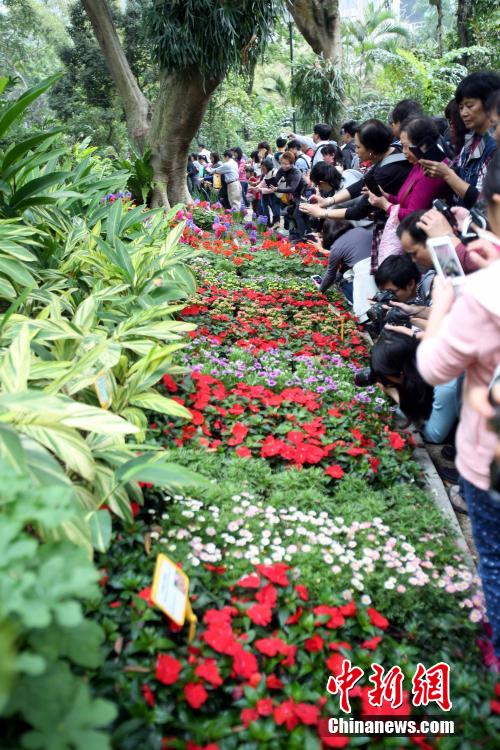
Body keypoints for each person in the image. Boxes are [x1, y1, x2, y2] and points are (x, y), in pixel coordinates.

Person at [416, 157, 500, 661]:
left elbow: (432, 365)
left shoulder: (485, 297)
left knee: (493, 560)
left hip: (491, 462)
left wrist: (447, 288)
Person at [420, 71, 500, 207]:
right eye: (461, 107)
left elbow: (484, 202)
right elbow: (461, 172)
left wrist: (447, 175)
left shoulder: (494, 147)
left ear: (490, 103)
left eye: (469, 106)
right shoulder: (472, 138)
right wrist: (441, 170)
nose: (463, 113)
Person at [369, 329, 459, 445]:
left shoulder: (445, 385)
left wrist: (395, 394)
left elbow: (434, 435)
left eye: (385, 376)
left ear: (401, 373)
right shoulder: (420, 362)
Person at [365, 117, 451, 225]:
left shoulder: (432, 171)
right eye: (402, 146)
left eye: (406, 146)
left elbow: (413, 216)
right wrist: (386, 196)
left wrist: (385, 205)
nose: (404, 152)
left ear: (422, 145)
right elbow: (405, 200)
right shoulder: (419, 164)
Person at [310, 220, 377, 320]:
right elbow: (346, 265)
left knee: (365, 306)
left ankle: (369, 324)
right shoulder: (360, 230)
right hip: (382, 263)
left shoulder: (336, 247)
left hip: (365, 271)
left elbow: (330, 275)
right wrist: (337, 278)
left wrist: (320, 291)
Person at [267, 151, 306, 240]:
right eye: (282, 163)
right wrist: (268, 184)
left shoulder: (296, 172)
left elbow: (292, 188)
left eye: (286, 164)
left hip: (303, 195)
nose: (283, 166)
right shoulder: (282, 170)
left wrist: (277, 189)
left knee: (297, 214)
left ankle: (303, 236)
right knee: (289, 213)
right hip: (292, 196)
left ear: (292, 163)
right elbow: (275, 181)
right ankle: (293, 233)